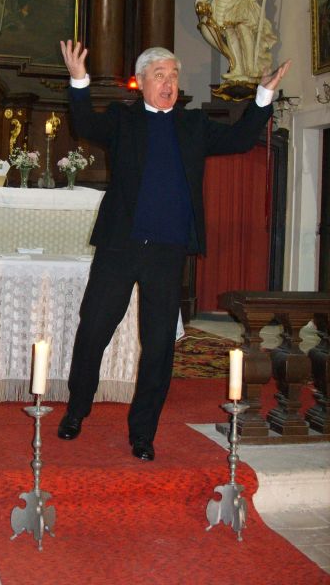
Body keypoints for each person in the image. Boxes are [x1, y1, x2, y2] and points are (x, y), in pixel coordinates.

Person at [57, 40, 289, 460]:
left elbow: (240, 138)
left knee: (160, 345)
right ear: (141, 81)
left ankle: (143, 432)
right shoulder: (123, 120)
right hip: (119, 246)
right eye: (159, 75)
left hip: (168, 250)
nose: (168, 83)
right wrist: (78, 80)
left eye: (173, 76)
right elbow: (85, 123)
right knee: (93, 331)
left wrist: (263, 94)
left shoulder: (193, 124)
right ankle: (77, 409)